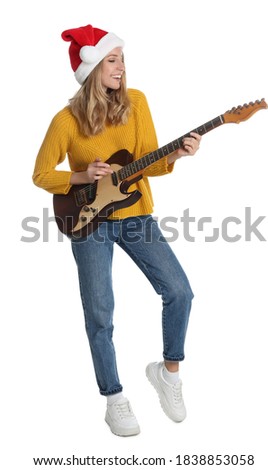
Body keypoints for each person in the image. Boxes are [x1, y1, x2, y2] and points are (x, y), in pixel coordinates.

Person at [33, 24, 201, 437]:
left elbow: (148, 163)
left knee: (179, 291)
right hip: (88, 222)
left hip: (135, 216)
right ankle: (114, 398)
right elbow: (40, 174)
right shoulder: (66, 120)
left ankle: (168, 373)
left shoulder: (137, 103)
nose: (121, 67)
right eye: (112, 59)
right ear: (91, 69)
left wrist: (176, 154)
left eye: (122, 59)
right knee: (100, 313)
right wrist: (80, 175)